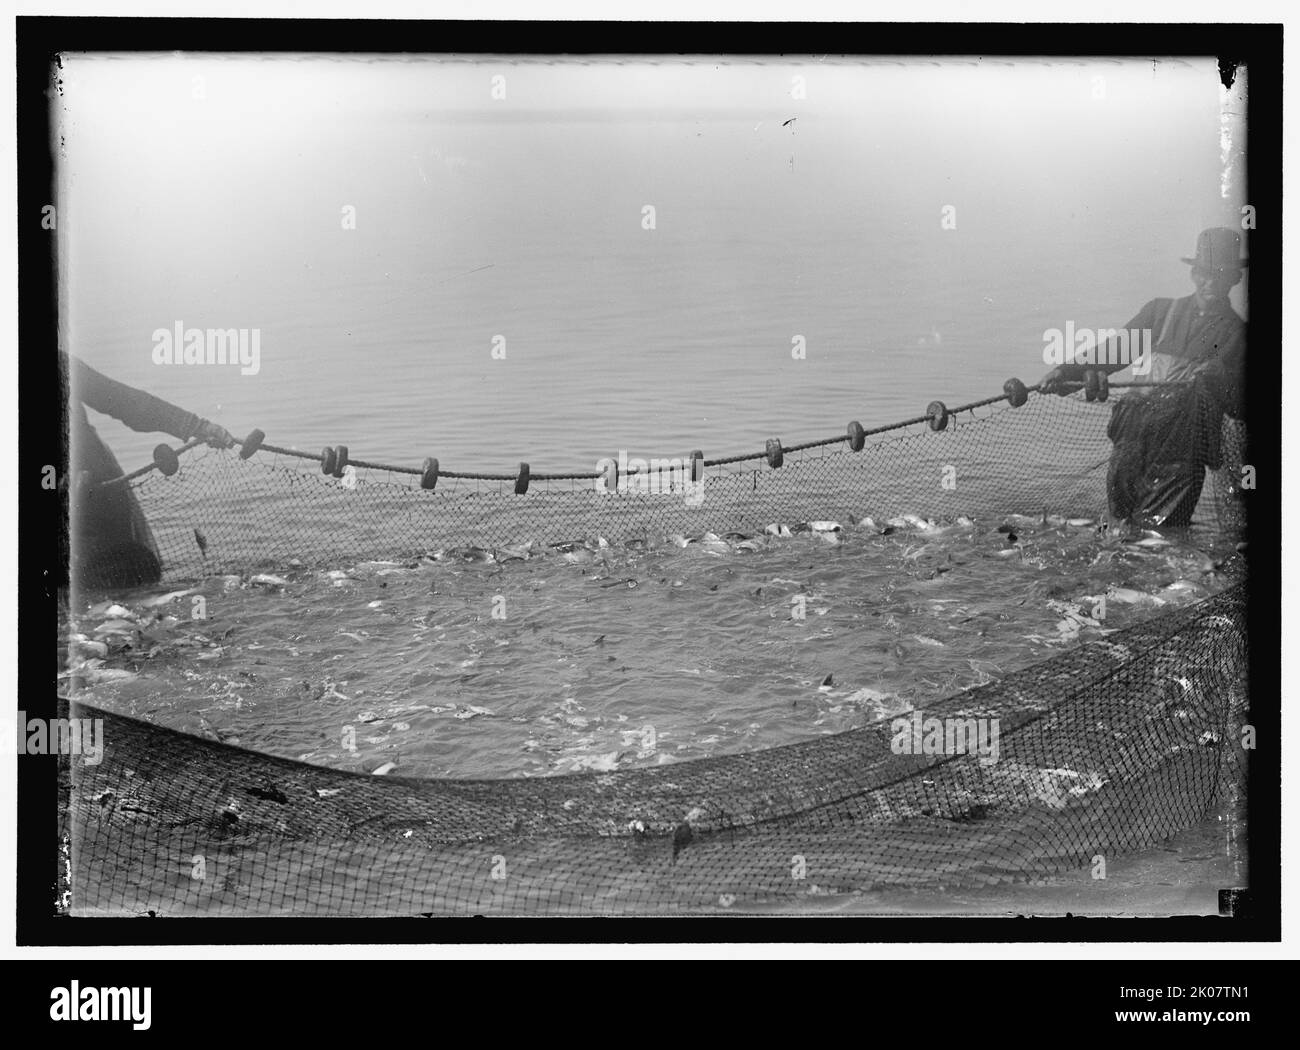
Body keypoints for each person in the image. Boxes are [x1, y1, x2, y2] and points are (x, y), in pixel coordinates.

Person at [1040, 227, 1247, 529]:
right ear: (1193, 274)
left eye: (1220, 273)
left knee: (1160, 537)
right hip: (1132, 441)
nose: (1210, 282)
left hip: (1182, 458)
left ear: (1234, 278)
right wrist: (1064, 372)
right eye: (1204, 272)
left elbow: (1240, 408)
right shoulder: (1161, 312)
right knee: (1117, 527)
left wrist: (1221, 380)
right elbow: (1113, 352)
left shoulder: (1239, 336)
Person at [64, 351, 234, 589]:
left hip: (100, 494)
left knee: (131, 583)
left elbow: (125, 402)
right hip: (83, 493)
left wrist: (195, 425)